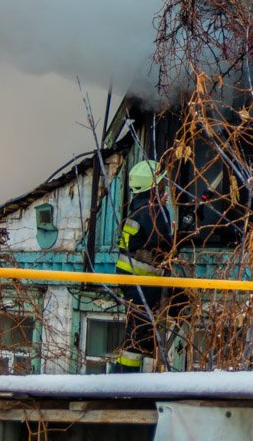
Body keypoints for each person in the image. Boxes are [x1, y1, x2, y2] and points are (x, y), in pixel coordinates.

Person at [111, 159, 172, 373]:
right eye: (162, 184)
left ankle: (127, 381)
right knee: (137, 340)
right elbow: (167, 244)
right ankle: (125, 383)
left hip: (133, 283)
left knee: (137, 337)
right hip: (143, 284)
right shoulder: (152, 213)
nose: (165, 187)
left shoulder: (138, 210)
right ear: (154, 187)